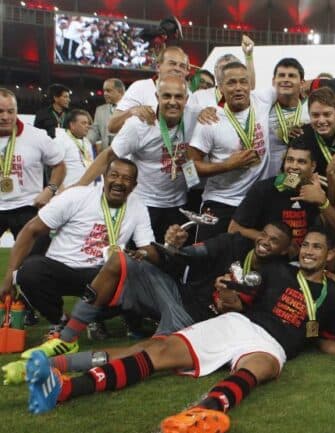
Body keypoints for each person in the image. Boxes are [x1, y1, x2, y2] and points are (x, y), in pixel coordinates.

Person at [24, 229, 335, 433]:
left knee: (259, 369)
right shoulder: (277, 271)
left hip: (273, 346)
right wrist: (229, 296)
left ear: (329, 255)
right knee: (159, 352)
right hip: (239, 324)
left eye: (318, 247)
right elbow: (238, 299)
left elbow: (322, 338)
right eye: (307, 244)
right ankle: (65, 388)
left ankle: (203, 412)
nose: (310, 250)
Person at [0, 221, 293, 385]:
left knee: (140, 352)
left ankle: (54, 365)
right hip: (177, 295)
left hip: (197, 325)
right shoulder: (236, 243)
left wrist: (237, 306)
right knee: (120, 260)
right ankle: (67, 338)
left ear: (284, 250)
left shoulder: (278, 275)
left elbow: (260, 320)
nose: (266, 241)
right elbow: (189, 255)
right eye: (264, 234)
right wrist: (167, 248)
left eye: (275, 240)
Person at [1, 159, 154, 350]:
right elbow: (30, 230)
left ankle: (95, 318)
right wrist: (9, 275)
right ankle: (61, 320)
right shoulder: (76, 196)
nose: (119, 182)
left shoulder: (137, 206)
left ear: (134, 185)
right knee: (29, 272)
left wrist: (143, 254)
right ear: (104, 177)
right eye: (114, 175)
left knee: (136, 279)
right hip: (62, 269)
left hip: (103, 274)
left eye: (126, 178)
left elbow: (146, 247)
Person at [79, 76, 198, 242]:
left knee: (171, 258)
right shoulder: (139, 125)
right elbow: (108, 156)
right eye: (166, 96)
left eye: (178, 96)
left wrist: (210, 111)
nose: (172, 102)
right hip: (144, 203)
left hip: (178, 204)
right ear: (157, 97)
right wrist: (77, 188)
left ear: (186, 99)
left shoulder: (195, 117)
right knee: (140, 256)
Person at [187, 61, 270, 240]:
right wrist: (227, 165)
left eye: (243, 82)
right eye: (231, 83)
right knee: (207, 263)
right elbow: (189, 170)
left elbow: (297, 86)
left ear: (250, 85)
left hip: (255, 203)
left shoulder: (262, 101)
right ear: (221, 88)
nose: (238, 88)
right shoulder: (211, 120)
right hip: (220, 202)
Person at [229, 139, 335, 250]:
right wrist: (278, 242)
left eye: (301, 162)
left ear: (313, 166)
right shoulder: (264, 189)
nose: (294, 166)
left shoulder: (316, 188)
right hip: (270, 257)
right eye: (290, 160)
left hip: (304, 258)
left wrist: (322, 201)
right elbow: (234, 228)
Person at [0, 87, 66, 243]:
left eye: (10, 111)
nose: (5, 117)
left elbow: (59, 165)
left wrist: (50, 190)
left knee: (33, 263)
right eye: (0, 111)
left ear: (17, 110)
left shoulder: (37, 136)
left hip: (28, 207)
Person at [108, 46, 190, 134]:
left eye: (182, 66)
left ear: (186, 72)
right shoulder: (140, 87)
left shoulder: (190, 95)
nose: (177, 69)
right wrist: (132, 112)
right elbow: (112, 126)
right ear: (158, 67)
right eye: (172, 64)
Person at [266, 58, 309, 179]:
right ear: (274, 81)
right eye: (281, 75)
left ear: (302, 83)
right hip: (269, 180)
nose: (286, 79)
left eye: (291, 76)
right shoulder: (264, 108)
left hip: (300, 180)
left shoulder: (311, 108)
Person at [54, 109, 94, 188]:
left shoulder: (87, 142)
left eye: (88, 123)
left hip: (88, 190)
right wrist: (59, 189)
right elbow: (53, 168)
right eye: (84, 123)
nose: (88, 126)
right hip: (67, 190)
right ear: (72, 125)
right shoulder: (60, 140)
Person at [88, 78, 125, 152]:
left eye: (108, 91)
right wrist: (83, 141)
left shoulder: (132, 109)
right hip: (107, 156)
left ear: (120, 92)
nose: (105, 94)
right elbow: (95, 131)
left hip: (127, 156)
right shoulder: (100, 110)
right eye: (104, 91)